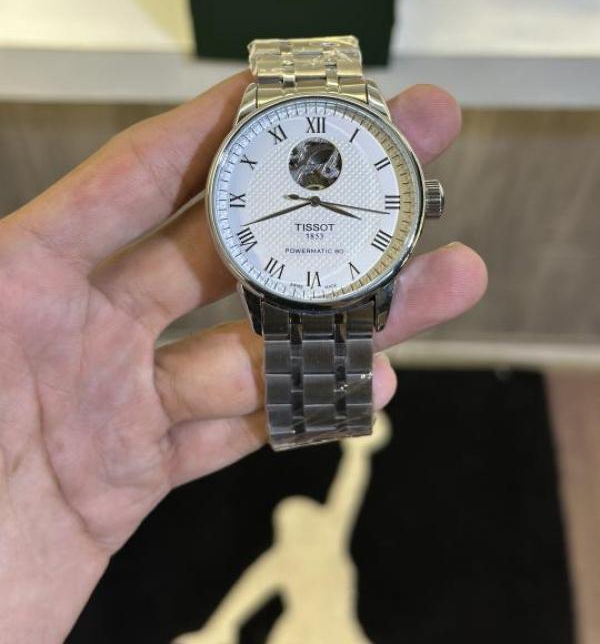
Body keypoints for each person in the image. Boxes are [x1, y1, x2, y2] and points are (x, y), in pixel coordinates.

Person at [0, 73, 487, 643]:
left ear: (420, 201)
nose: (313, 201)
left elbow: (244, 602)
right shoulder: (312, 547)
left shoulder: (294, 554)